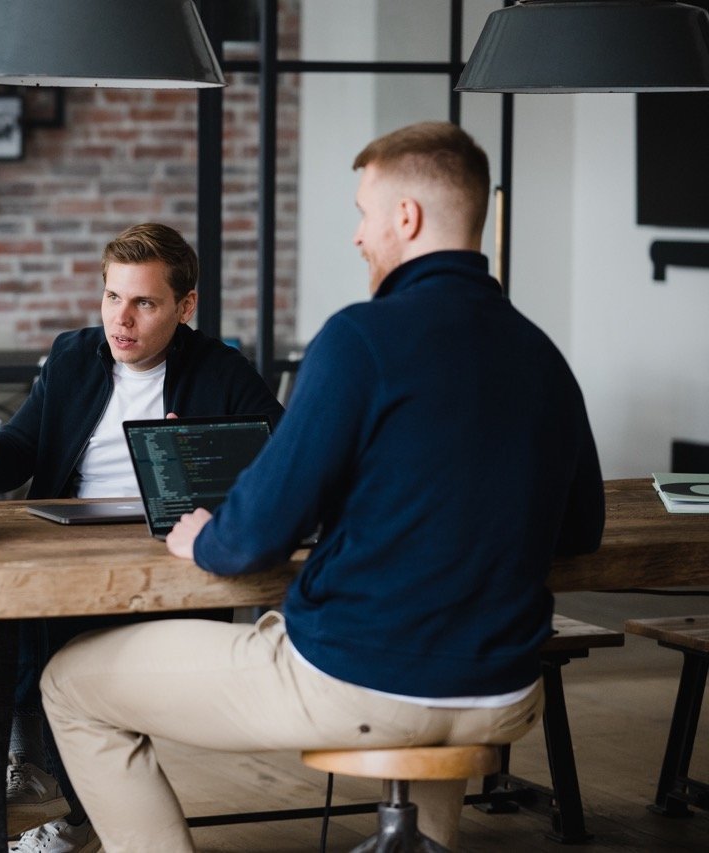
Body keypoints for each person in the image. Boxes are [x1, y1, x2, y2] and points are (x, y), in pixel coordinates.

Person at [39, 122, 606, 852]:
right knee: (427, 688)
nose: (358, 236)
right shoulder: (541, 352)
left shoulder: (360, 338)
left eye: (365, 213)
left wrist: (202, 534)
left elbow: (253, 536)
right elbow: (580, 528)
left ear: (407, 218)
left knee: (69, 683)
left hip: (360, 679)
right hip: (501, 689)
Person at [0, 222, 284, 852]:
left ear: (184, 307)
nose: (123, 319)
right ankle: (32, 781)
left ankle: (64, 801)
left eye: (144, 302)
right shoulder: (75, 355)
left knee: (46, 621)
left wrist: (198, 460)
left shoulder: (223, 372)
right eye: (113, 297)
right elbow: (20, 455)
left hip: (170, 554)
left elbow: (279, 464)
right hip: (70, 537)